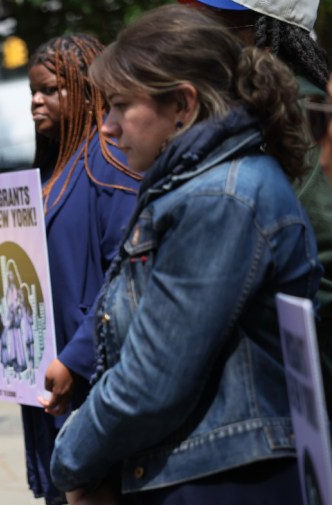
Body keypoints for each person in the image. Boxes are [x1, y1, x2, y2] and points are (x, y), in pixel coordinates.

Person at [50, 5, 321, 504]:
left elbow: (152, 380)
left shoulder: (218, 199)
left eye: (118, 106)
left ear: (182, 104)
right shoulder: (197, 187)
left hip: (222, 484)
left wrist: (69, 458)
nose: (107, 128)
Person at [0, 34, 140, 505]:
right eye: (31, 92)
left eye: (50, 90)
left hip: (92, 387)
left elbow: (125, 278)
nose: (35, 102)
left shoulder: (112, 166)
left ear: (86, 89)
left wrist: (77, 357)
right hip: (45, 382)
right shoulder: (48, 172)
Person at [178, 0, 332, 420]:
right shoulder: (240, 113)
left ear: (264, 33)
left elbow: (317, 257)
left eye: (211, 22)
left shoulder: (302, 113)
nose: (192, 34)